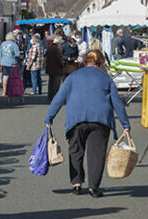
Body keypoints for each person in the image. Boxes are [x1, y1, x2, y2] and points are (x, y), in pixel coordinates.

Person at [45, 50, 131, 197]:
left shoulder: (72, 77)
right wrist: (125, 124)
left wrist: (49, 118)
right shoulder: (106, 78)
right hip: (100, 119)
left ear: (85, 61)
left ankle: (76, 184)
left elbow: (59, 98)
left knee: (76, 151)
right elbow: (116, 102)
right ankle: (94, 188)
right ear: (101, 62)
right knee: (96, 154)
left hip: (76, 119)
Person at [0, 32, 20, 96]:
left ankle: (4, 91)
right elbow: (17, 54)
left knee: (5, 76)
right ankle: (12, 90)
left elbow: (0, 54)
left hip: (4, 62)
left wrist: (1, 61)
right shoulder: (14, 44)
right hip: (12, 62)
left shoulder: (3, 44)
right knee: (13, 77)